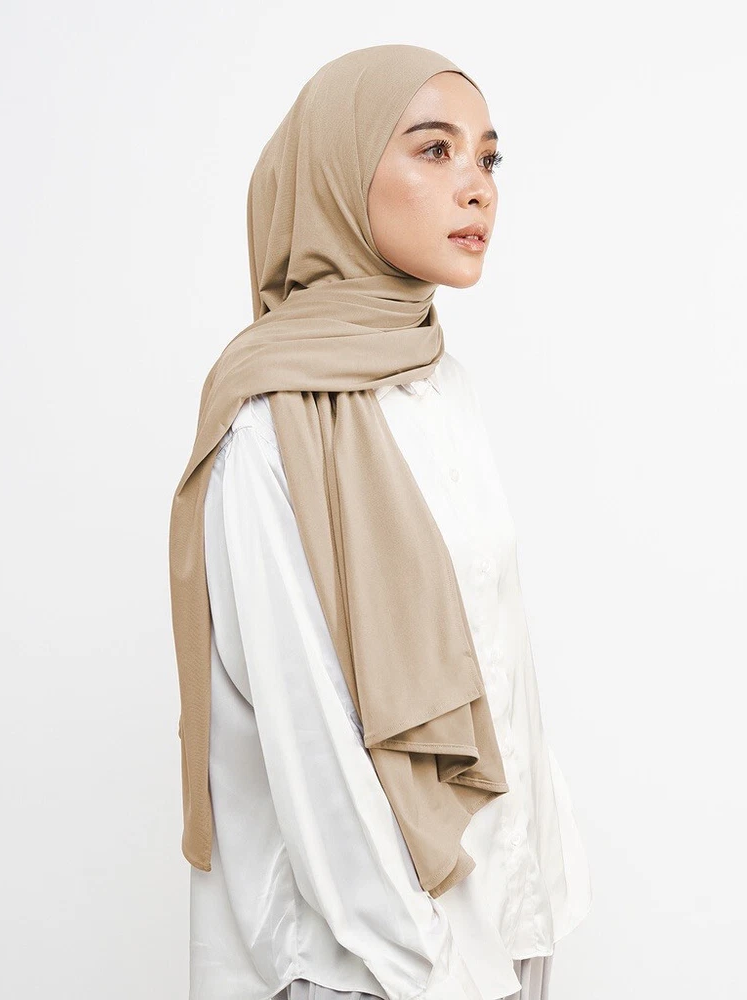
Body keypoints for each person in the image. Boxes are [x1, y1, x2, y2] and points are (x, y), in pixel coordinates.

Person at [170, 44, 592, 1000]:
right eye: (435, 150)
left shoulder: (440, 383)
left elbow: (502, 663)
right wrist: (430, 965)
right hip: (371, 966)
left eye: (488, 157)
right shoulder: (268, 422)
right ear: (338, 169)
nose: (477, 187)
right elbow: (306, 738)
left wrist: (536, 893)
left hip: (503, 923)